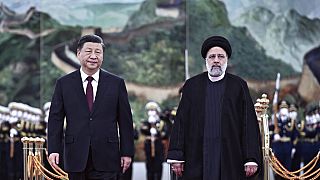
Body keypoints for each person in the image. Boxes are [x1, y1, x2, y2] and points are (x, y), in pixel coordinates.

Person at [167, 35, 263, 179]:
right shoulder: (192, 86)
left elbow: (248, 123)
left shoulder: (238, 86)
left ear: (226, 60)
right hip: (197, 156)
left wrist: (250, 158)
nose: (216, 60)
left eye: (220, 56)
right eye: (212, 57)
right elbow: (181, 122)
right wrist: (177, 155)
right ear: (206, 60)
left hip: (230, 156)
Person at [47, 34, 134, 180]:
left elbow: (125, 121)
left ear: (103, 56)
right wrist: (54, 149)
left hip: (107, 156)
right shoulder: (64, 84)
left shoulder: (116, 83)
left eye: (98, 52)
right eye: (88, 51)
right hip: (75, 155)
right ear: (78, 54)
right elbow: (55, 119)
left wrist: (127, 152)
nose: (93, 56)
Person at [140, 101, 170, 180]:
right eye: (149, 110)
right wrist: (150, 127)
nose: (151, 112)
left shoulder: (161, 122)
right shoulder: (146, 122)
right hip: (149, 146)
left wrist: (157, 131)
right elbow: (142, 130)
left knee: (158, 166)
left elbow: (166, 134)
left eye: (153, 110)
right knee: (149, 166)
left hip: (158, 146)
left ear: (156, 111)